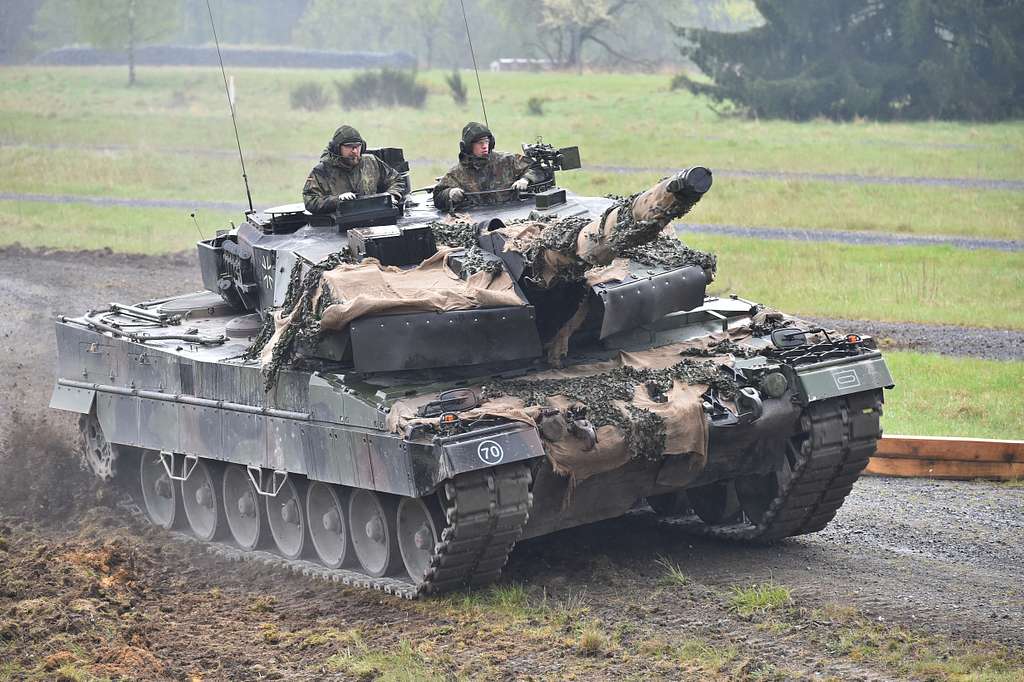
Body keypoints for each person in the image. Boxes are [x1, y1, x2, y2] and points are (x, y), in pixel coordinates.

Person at [432, 122, 546, 211]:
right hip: (476, 218)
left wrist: (526, 179)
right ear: (468, 146)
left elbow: (536, 167)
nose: (484, 146)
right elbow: (438, 196)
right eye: (479, 143)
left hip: (510, 212)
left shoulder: (506, 161)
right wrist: (450, 193)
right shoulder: (458, 172)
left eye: (486, 142)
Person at [302, 125, 404, 214]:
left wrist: (392, 196)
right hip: (338, 225)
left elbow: (395, 179)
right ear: (337, 148)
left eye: (357, 146)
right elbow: (310, 200)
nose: (355, 151)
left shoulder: (371, 162)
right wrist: (337, 200)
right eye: (349, 147)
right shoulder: (322, 171)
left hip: (372, 217)